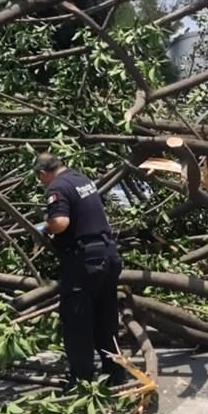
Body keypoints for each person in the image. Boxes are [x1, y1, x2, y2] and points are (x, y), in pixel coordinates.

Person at [33, 152, 126, 389]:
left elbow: (61, 223)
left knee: (77, 321)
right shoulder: (81, 179)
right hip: (108, 253)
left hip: (84, 260)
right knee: (105, 318)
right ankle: (115, 373)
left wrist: (45, 226)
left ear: (43, 174)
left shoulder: (58, 187)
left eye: (39, 178)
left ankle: (81, 380)